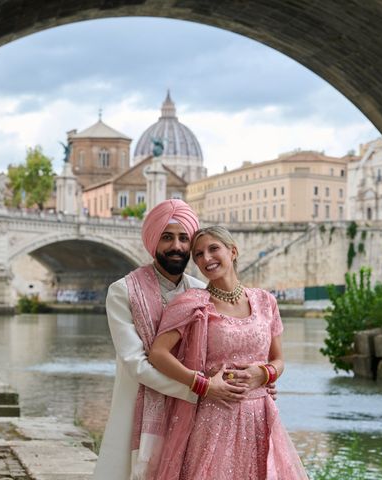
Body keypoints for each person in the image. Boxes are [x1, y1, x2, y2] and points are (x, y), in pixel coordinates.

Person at [93, 200, 252, 480]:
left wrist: (257, 381)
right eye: (167, 237)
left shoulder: (203, 290)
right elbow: (136, 364)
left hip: (197, 414)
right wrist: (199, 389)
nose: (176, 246)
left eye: (183, 238)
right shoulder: (122, 291)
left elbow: (225, 352)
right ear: (153, 241)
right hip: (140, 409)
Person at [149, 226, 309, 479]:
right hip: (215, 415)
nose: (206, 259)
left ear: (232, 251)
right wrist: (201, 384)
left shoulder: (265, 301)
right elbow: (158, 354)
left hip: (260, 415)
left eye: (214, 249)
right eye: (199, 254)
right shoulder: (193, 303)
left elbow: (278, 360)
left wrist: (264, 374)